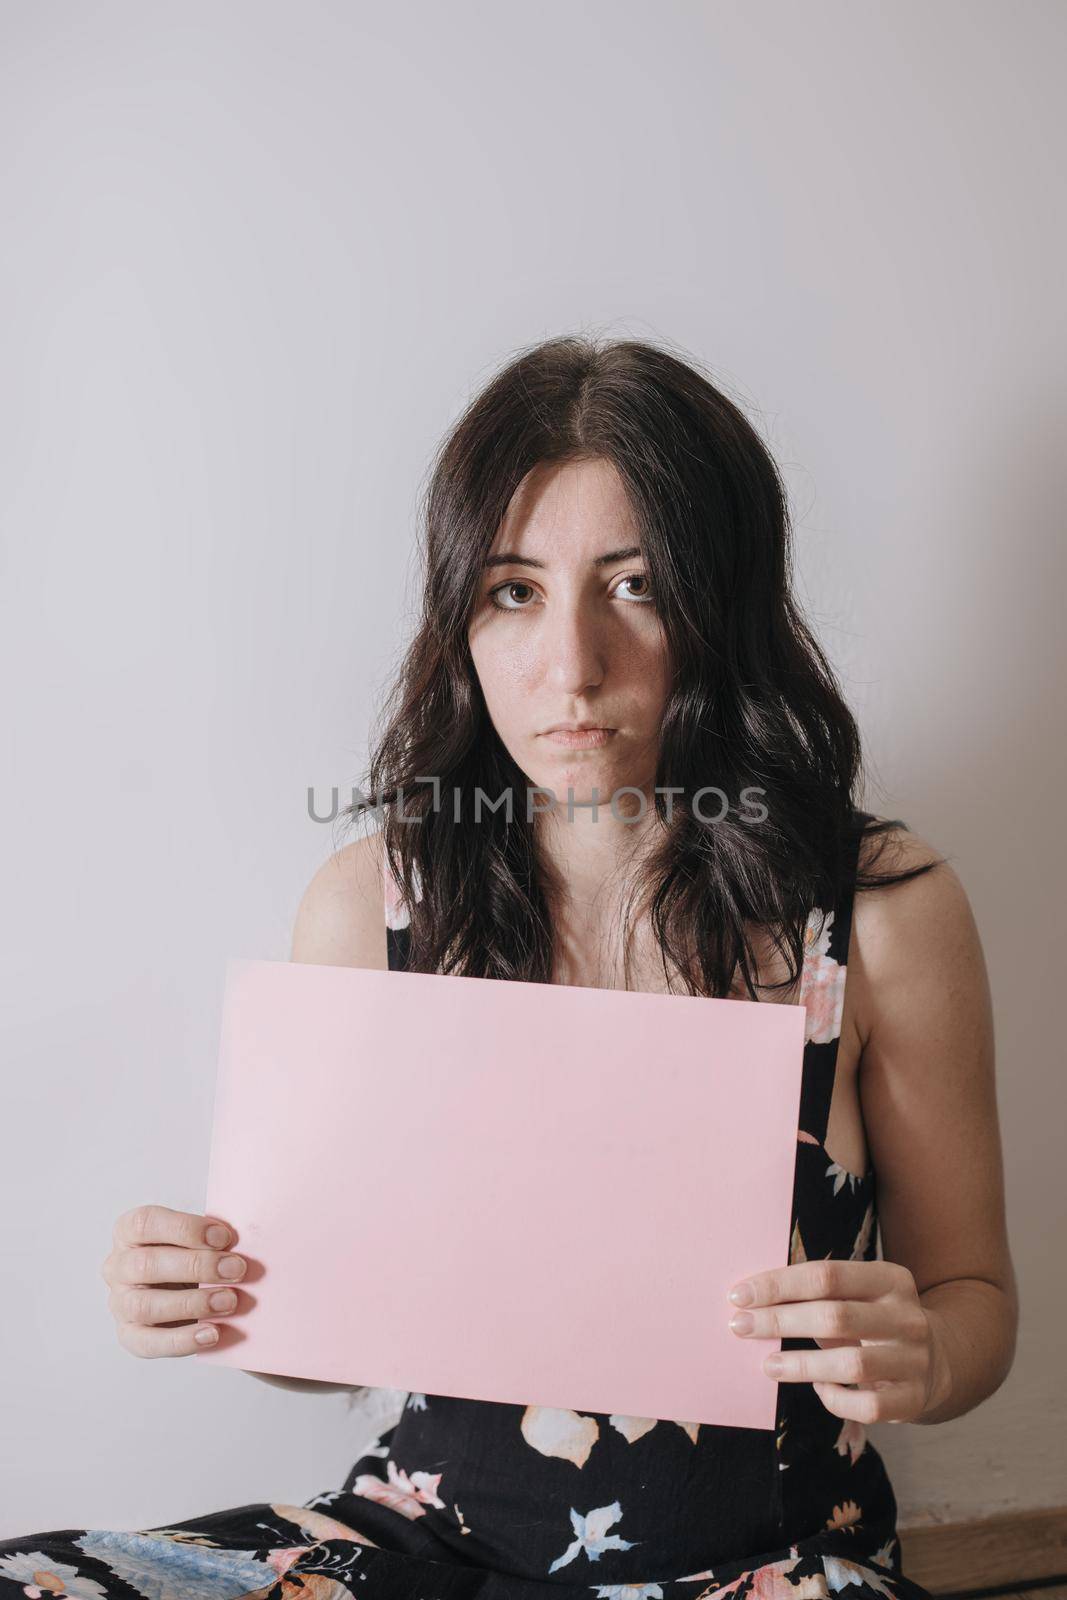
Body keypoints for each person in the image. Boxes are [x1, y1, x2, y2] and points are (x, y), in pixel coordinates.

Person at [0, 335, 1017, 1600]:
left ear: (723, 600)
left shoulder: (871, 913)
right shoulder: (377, 903)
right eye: (515, 592)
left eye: (635, 585)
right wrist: (209, 1296)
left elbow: (974, 1297)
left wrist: (920, 1353)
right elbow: (320, 1337)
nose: (571, 665)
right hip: (422, 1553)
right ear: (460, 617)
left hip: (766, 1567)